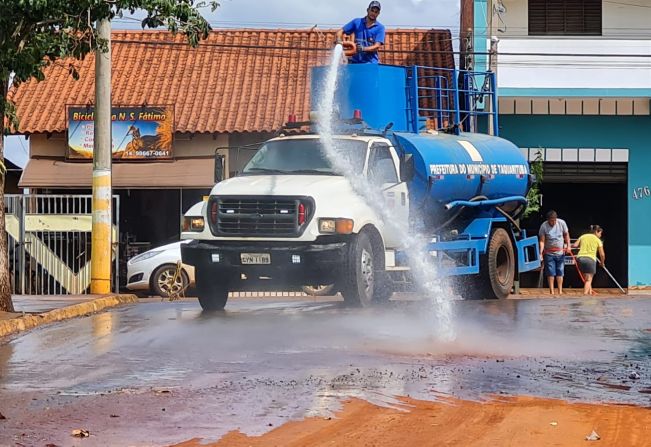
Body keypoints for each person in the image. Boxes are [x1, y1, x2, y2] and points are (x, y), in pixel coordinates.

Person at [538, 210, 571, 295]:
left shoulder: (562, 223)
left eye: (554, 220)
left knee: (560, 271)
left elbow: (566, 235)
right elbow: (542, 241)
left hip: (560, 252)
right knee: (550, 272)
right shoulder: (544, 226)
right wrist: (540, 253)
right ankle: (552, 291)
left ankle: (560, 291)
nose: (553, 222)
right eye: (551, 220)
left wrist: (568, 246)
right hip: (549, 253)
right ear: (548, 219)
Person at [573, 225, 605, 296]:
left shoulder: (583, 236)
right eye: (600, 233)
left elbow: (575, 245)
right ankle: (584, 296)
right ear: (596, 232)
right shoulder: (598, 240)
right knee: (588, 280)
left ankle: (590, 293)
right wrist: (602, 263)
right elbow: (602, 254)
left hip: (580, 258)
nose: (600, 235)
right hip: (590, 259)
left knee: (587, 279)